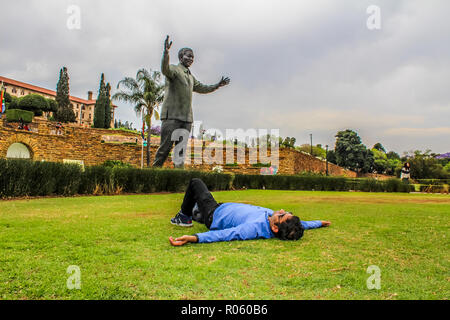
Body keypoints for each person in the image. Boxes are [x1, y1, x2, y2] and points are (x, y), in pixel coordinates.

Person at [169, 178, 331, 246]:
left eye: (282, 215)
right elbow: (304, 225)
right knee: (196, 207)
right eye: (286, 212)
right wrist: (320, 223)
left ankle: (184, 217)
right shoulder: (279, 222)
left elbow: (227, 234)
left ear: (275, 228)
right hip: (222, 207)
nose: (281, 210)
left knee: (196, 183)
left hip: (214, 213)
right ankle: (195, 213)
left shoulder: (254, 228)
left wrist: (195, 238)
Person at [153, 35, 230, 169]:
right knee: (164, 149)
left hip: (186, 118)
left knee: (180, 152)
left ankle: (178, 179)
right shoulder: (174, 70)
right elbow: (165, 69)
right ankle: (153, 175)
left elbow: (203, 88)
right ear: (181, 57)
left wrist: (217, 85)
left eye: (193, 57)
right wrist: (166, 53)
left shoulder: (190, 77)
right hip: (171, 116)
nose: (191, 59)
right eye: (188, 56)